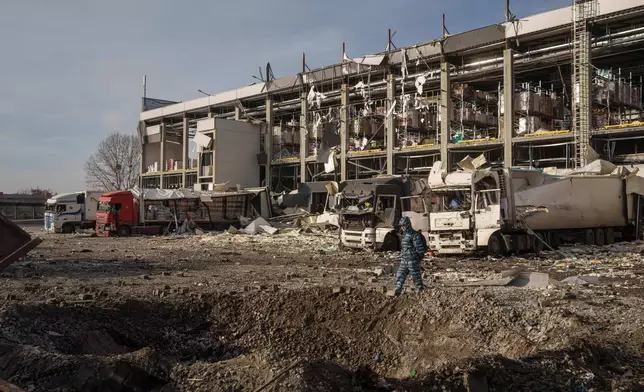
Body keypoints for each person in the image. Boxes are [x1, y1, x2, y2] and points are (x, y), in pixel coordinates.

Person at [395, 216, 427, 296]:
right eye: (401, 226)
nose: (402, 227)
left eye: (404, 225)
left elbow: (420, 249)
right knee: (400, 275)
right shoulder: (405, 235)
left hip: (412, 261)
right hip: (404, 261)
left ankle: (420, 294)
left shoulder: (414, 235)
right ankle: (397, 291)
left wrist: (417, 259)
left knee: (416, 278)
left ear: (408, 225)